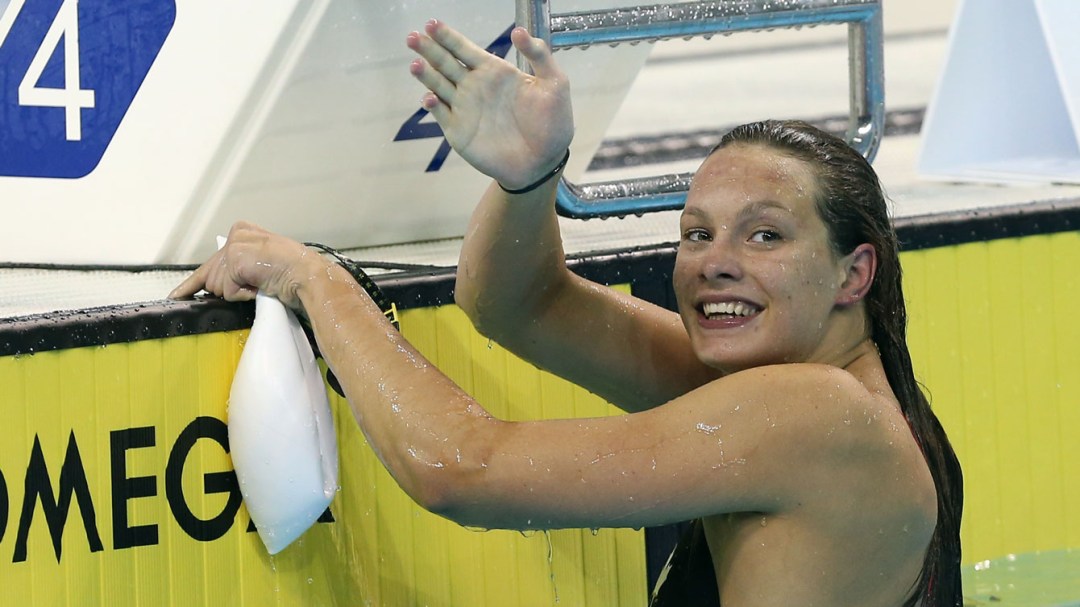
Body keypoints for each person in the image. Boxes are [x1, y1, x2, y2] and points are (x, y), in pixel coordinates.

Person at [170, 19, 963, 606]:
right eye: (696, 232)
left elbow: (463, 470)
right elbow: (519, 303)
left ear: (854, 271)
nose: (717, 258)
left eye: (765, 234)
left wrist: (319, 281)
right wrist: (530, 179)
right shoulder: (816, 391)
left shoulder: (818, 414)